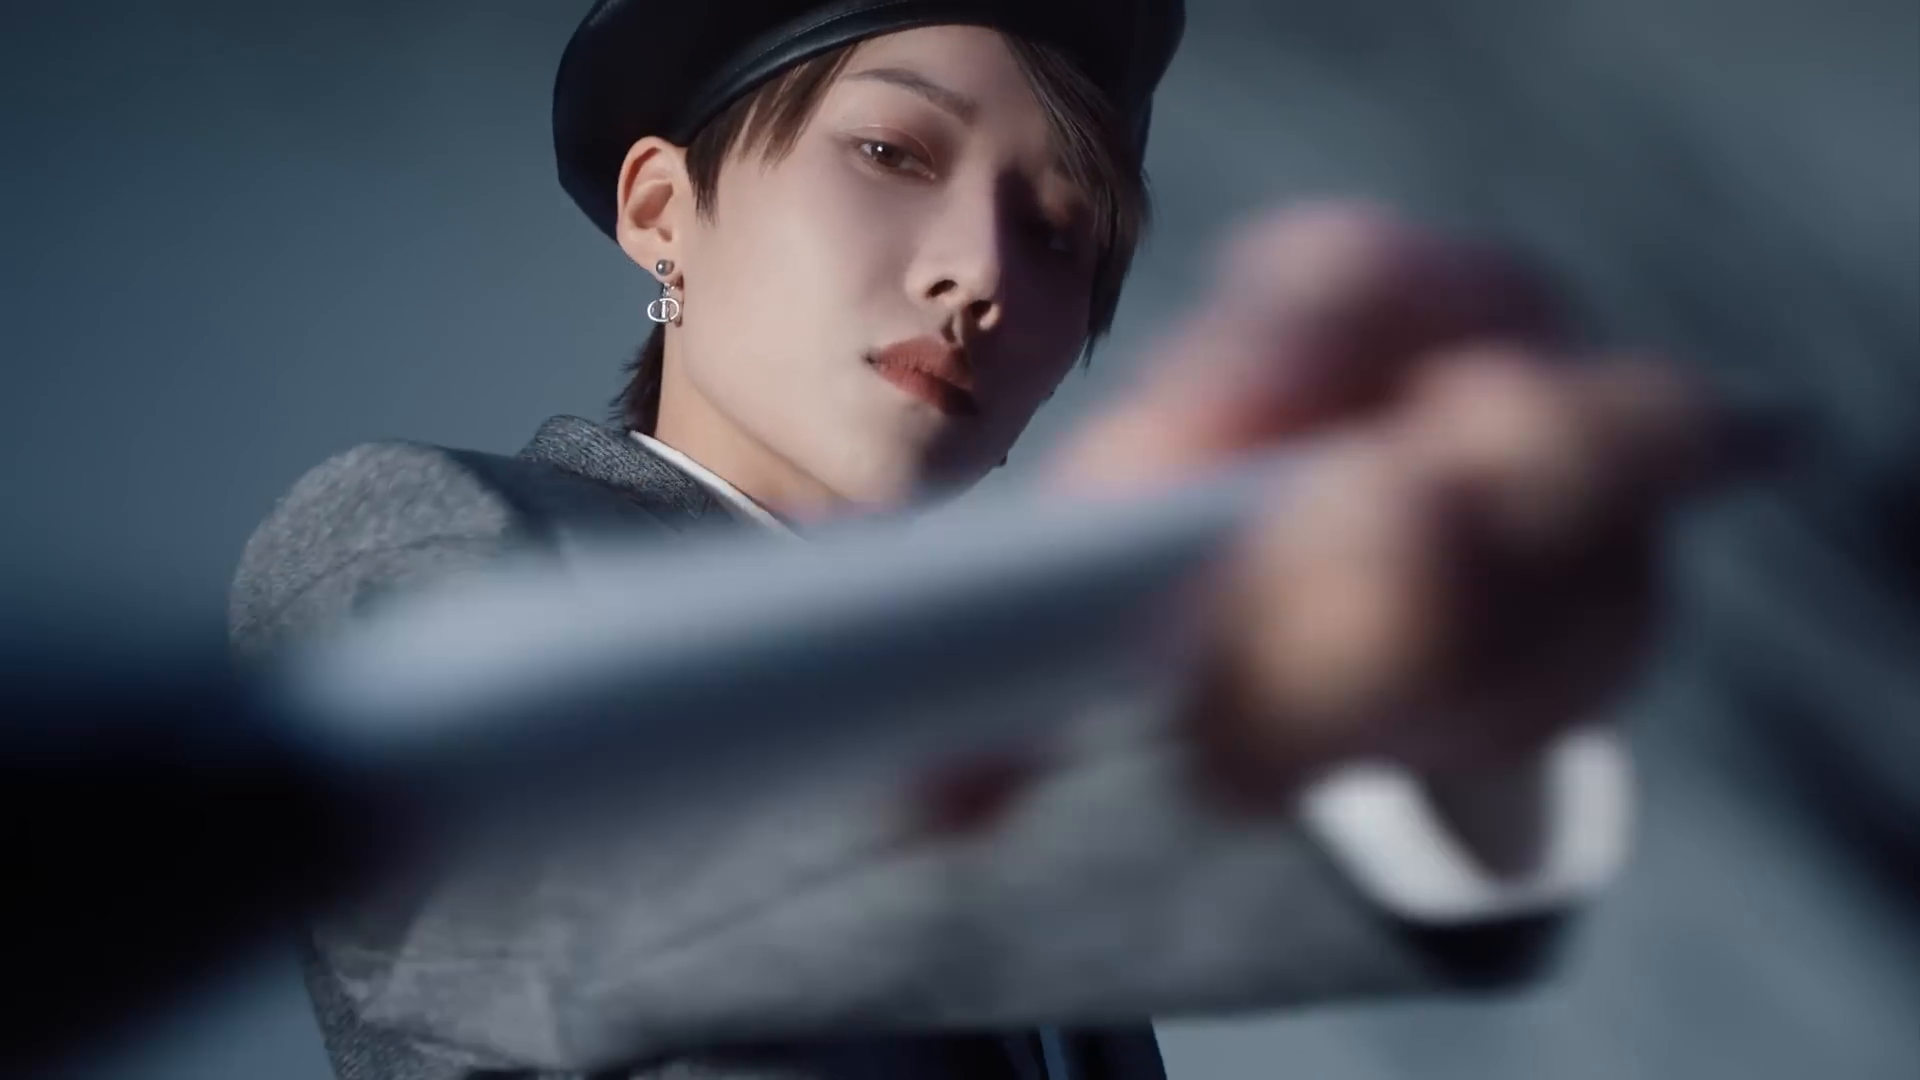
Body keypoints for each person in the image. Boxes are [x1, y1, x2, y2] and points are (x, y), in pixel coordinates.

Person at [227, 1, 1766, 1078]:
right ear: (663, 208)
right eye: (896, 153)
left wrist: (1460, 707)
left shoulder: (1040, 759)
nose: (981, 274)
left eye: (1059, 231)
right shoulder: (427, 542)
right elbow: (579, 942)